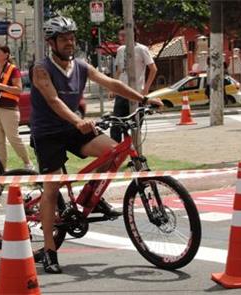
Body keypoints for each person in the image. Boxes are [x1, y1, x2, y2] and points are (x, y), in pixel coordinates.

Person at [30, 16, 163, 274]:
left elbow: (111, 83)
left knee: (114, 152)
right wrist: (78, 121)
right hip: (47, 133)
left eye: (72, 37)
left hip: (73, 127)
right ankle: (49, 250)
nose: (69, 42)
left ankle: (91, 196)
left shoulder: (80, 65)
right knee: (52, 187)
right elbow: (54, 101)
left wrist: (143, 98)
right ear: (52, 42)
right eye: (63, 38)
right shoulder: (41, 69)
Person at [0, 44, 34, 170]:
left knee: (13, 138)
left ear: (6, 54)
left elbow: (18, 90)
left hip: (8, 109)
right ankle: (1, 167)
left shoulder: (13, 70)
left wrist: (1, 86)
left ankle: (28, 163)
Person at [110, 26, 157, 142]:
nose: (120, 38)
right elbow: (119, 71)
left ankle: (135, 156)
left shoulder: (142, 49)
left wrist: (146, 89)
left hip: (136, 93)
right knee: (116, 126)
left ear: (131, 35)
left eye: (123, 35)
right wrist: (112, 89)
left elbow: (153, 69)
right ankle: (116, 154)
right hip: (122, 92)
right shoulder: (120, 50)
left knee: (135, 127)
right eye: (119, 35)